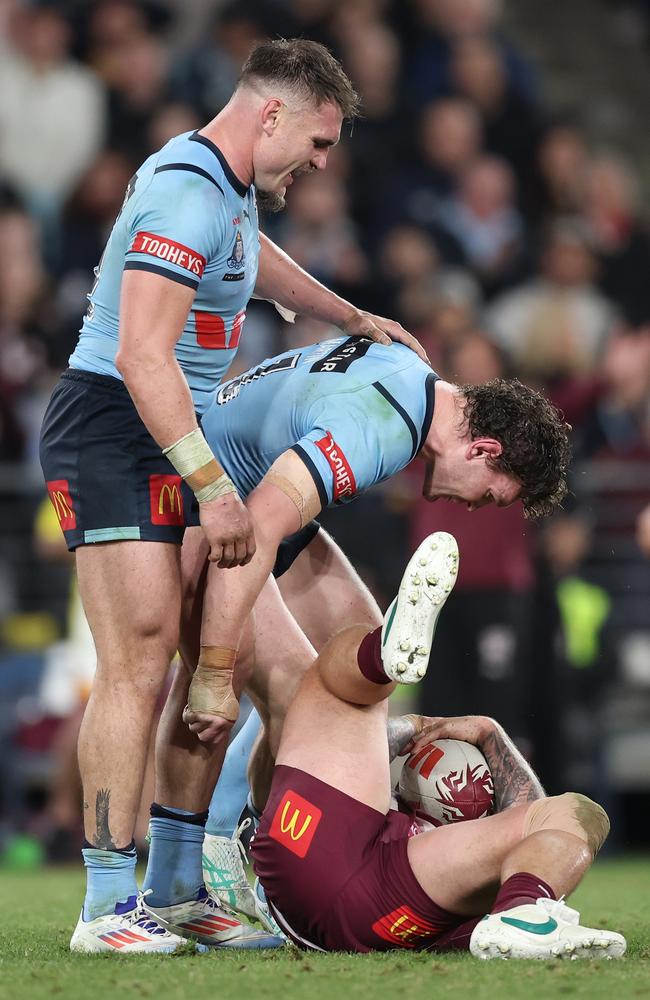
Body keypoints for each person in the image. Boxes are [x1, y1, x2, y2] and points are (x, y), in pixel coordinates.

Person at [39, 38, 423, 954]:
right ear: (272, 115)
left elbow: (252, 260)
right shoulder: (185, 186)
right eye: (319, 145)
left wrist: (348, 313)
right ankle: (104, 906)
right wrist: (213, 487)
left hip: (175, 430)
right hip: (116, 427)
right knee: (137, 659)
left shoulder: (230, 192)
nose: (321, 166)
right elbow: (139, 355)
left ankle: (175, 891)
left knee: (218, 657)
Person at [141, 333, 570, 931]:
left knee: (368, 650)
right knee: (296, 696)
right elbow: (258, 528)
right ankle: (230, 864)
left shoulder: (414, 378)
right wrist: (215, 669)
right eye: (493, 497)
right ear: (483, 449)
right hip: (204, 506)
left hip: (244, 486)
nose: (478, 509)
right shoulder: (384, 426)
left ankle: (242, 833)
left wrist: (346, 314)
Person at [250, 532, 626, 959]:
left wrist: (432, 730)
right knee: (582, 813)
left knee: (331, 687)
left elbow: (277, 781)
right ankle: (525, 912)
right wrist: (487, 736)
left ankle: (377, 651)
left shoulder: (426, 838)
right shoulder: (468, 866)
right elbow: (539, 823)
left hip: (305, 867)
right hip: (395, 910)